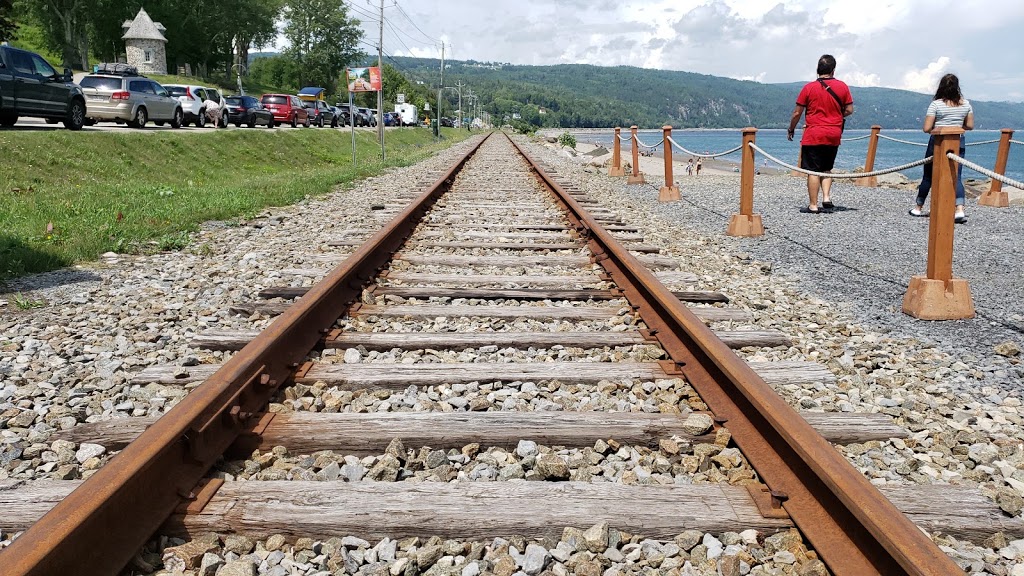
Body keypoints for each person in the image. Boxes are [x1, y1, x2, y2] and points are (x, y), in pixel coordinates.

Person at [788, 54, 854, 213]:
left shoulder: (809, 88)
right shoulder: (843, 86)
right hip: (833, 133)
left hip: (814, 133)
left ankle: (813, 205)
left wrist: (791, 128)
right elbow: (849, 110)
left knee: (812, 170)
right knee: (826, 168)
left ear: (818, 70)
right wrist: (836, 116)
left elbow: (797, 113)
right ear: (833, 70)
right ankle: (826, 197)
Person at [909, 73, 973, 223]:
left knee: (928, 176)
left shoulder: (936, 104)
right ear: (957, 87)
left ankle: (918, 207)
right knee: (956, 175)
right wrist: (956, 126)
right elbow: (970, 126)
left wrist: (941, 126)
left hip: (938, 141)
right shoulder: (966, 104)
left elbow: (926, 128)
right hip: (958, 140)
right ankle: (959, 209)